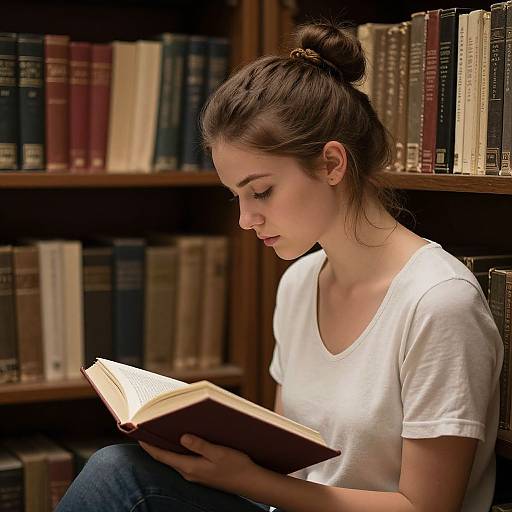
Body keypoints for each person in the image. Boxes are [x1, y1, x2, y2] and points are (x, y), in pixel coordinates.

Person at [56, 20, 503, 512]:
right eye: (237, 198)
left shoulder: (439, 303)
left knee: (118, 478)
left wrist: (246, 480)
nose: (247, 220)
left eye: (261, 191)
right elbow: (290, 459)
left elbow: (427, 508)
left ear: (332, 164)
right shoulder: (298, 283)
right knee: (119, 469)